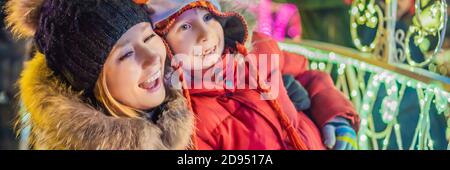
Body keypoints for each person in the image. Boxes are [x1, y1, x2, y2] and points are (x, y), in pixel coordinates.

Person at [149, 0, 360, 150]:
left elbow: (307, 74)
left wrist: (335, 116)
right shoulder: (190, 118)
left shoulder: (258, 49)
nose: (205, 34)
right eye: (185, 27)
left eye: (207, 16)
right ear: (163, 44)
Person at [6, 0, 194, 149]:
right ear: (90, 82)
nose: (152, 57)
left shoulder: (184, 102)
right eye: (127, 54)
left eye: (148, 37)